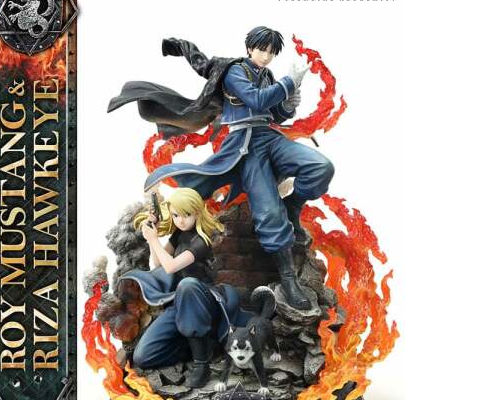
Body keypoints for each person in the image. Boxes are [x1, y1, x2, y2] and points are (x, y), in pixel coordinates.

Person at [108, 27, 334, 311]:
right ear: (250, 48)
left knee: (320, 167)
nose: (266, 56)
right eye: (261, 50)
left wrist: (288, 105)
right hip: (245, 147)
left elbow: (273, 112)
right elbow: (256, 100)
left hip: (269, 137)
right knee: (269, 213)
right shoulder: (235, 72)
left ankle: (293, 205)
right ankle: (289, 280)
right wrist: (289, 83)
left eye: (271, 52)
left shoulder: (266, 75)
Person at [120, 188, 246, 388]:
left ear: (197, 212)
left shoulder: (202, 240)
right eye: (176, 215)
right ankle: (201, 347)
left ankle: (202, 363)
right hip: (179, 301)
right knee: (143, 356)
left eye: (186, 214)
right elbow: (159, 264)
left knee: (187, 284)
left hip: (203, 300)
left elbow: (171, 266)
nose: (180, 220)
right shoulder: (179, 234)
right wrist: (154, 237)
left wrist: (153, 239)